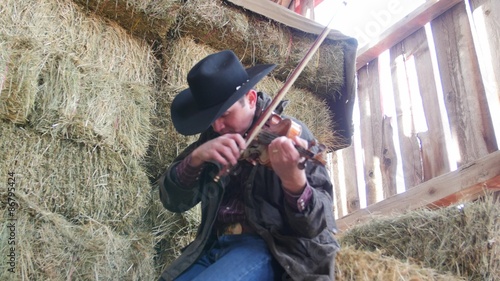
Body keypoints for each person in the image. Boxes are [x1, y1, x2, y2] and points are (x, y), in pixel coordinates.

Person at [158, 50, 339, 281]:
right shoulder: (210, 139)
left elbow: (318, 225)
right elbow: (172, 201)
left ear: (251, 99)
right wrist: (195, 159)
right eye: (211, 119)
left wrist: (296, 184)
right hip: (211, 245)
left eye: (225, 115)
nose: (218, 127)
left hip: (272, 249)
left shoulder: (289, 134)